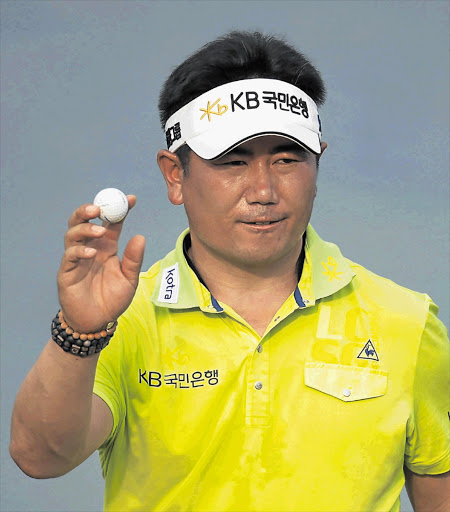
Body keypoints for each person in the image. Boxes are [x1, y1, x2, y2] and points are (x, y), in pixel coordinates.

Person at [10, 30, 449, 512]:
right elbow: (39, 457)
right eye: (233, 162)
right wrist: (79, 331)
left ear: (318, 162)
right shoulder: (126, 320)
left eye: (287, 159)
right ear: (175, 176)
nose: (263, 190)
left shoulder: (406, 321)